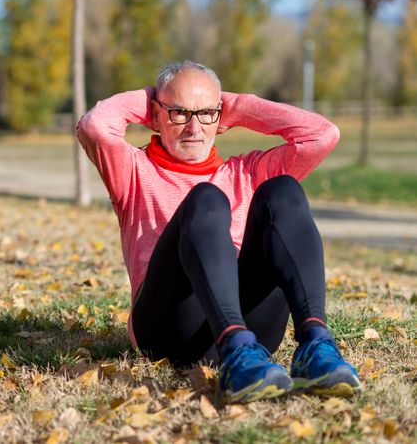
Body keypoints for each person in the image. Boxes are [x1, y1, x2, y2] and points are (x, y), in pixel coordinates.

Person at [76, 60, 361, 404]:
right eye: (179, 113)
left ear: (220, 117)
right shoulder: (134, 170)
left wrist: (237, 107)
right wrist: (154, 102)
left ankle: (316, 345)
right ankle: (235, 349)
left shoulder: (247, 171)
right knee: (206, 199)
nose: (194, 127)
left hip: (254, 332)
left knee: (283, 190)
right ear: (156, 115)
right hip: (168, 331)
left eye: (207, 113)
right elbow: (94, 126)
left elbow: (321, 134)